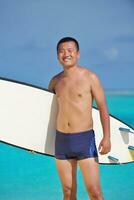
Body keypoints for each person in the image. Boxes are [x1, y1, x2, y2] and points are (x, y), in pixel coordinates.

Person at [48, 37, 111, 200]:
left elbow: (103, 108)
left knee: (95, 192)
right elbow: (47, 114)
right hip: (61, 141)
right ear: (57, 56)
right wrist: (34, 142)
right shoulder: (55, 82)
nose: (66, 54)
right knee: (68, 192)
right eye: (61, 51)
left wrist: (107, 137)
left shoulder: (90, 78)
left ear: (78, 54)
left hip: (84, 140)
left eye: (70, 50)